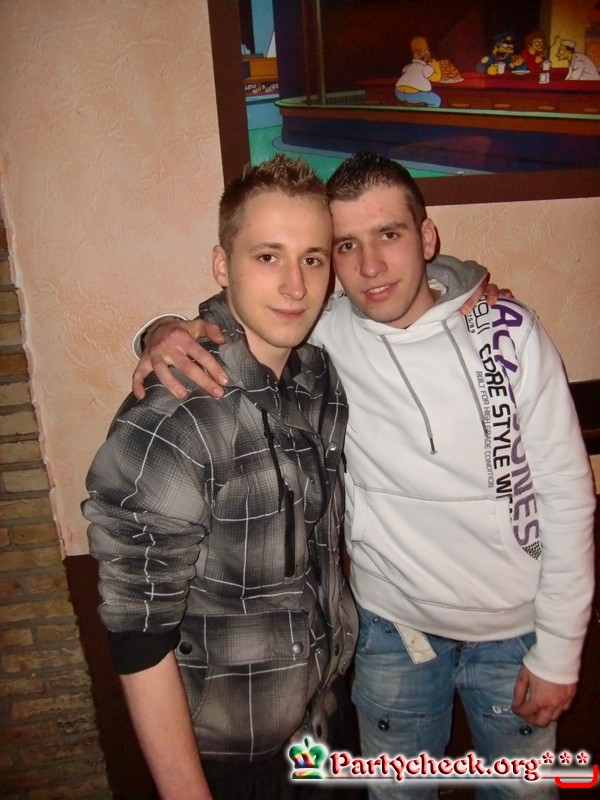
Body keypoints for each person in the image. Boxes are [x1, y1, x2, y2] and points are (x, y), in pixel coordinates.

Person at [130, 153, 595, 800]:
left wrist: (560, 652)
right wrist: (159, 331)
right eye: (346, 245)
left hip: (516, 634)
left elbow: (568, 496)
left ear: (426, 238)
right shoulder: (324, 331)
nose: (370, 266)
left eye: (390, 235)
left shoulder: (508, 333)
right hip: (391, 632)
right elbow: (241, 309)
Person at [82, 154, 359, 800]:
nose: (295, 285)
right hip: (231, 762)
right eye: (268, 256)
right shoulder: (177, 413)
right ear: (221, 265)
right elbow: (138, 632)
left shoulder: (319, 378)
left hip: (326, 727)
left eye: (313, 259)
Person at [395, 36, 442, 108]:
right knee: (437, 100)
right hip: (416, 95)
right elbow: (437, 78)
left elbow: (403, 74)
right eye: (427, 50)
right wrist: (437, 67)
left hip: (399, 93)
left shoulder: (408, 66)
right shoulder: (424, 68)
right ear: (425, 51)